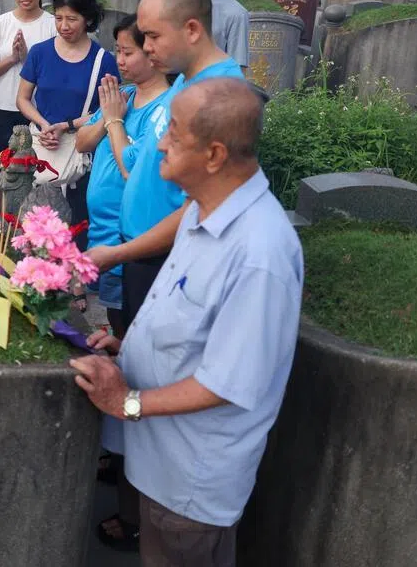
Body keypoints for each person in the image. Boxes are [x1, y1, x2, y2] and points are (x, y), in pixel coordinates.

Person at [72, 77, 303, 567]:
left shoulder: (260, 252)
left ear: (214, 155)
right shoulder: (204, 211)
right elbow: (194, 323)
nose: (159, 144)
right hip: (159, 463)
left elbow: (229, 382)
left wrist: (126, 402)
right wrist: (129, 349)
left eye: (173, 134)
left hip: (189, 482)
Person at [86, 0, 245, 550]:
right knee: (137, 362)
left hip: (159, 257)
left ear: (192, 29)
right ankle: (142, 505)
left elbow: (196, 207)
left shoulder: (218, 95)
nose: (145, 48)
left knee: (160, 393)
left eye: (151, 37)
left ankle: (150, 516)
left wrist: (120, 251)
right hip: (144, 255)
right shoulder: (187, 84)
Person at [75, 14, 169, 329]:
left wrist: (114, 121)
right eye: (117, 51)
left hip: (128, 237)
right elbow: (82, 142)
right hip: (100, 231)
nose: (120, 60)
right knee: (113, 318)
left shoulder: (163, 108)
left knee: (126, 321)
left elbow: (131, 167)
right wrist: (108, 116)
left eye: (128, 52)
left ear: (152, 53)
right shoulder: (122, 95)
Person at [16, 0, 118, 231]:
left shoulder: (103, 61)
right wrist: (45, 125)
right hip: (40, 145)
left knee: (72, 228)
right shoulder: (40, 53)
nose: (63, 26)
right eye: (59, 18)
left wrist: (66, 126)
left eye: (72, 19)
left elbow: (108, 110)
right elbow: (23, 98)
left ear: (88, 19)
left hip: (80, 152)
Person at [0, 0, 57, 213]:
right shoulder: (0, 23)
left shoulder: (52, 25)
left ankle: (30, 227)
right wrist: (13, 59)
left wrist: (27, 59)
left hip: (37, 111)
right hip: (2, 106)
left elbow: (54, 74)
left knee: (35, 174)